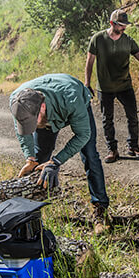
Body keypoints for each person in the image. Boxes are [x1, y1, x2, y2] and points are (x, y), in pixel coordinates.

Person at [10, 73, 109, 222]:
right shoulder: (17, 101)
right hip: (47, 108)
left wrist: (56, 161)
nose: (33, 127)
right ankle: (32, 211)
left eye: (33, 122)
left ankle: (100, 208)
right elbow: (22, 133)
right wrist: (29, 159)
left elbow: (83, 135)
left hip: (71, 97)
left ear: (42, 107)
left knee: (90, 155)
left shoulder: (72, 99)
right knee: (39, 158)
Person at [85, 9, 139, 163]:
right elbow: (90, 61)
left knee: (133, 116)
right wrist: (87, 83)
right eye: (121, 25)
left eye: (125, 25)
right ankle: (112, 150)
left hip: (124, 85)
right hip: (105, 87)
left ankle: (133, 146)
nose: (124, 28)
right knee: (108, 119)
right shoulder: (98, 39)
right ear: (112, 23)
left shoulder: (128, 40)